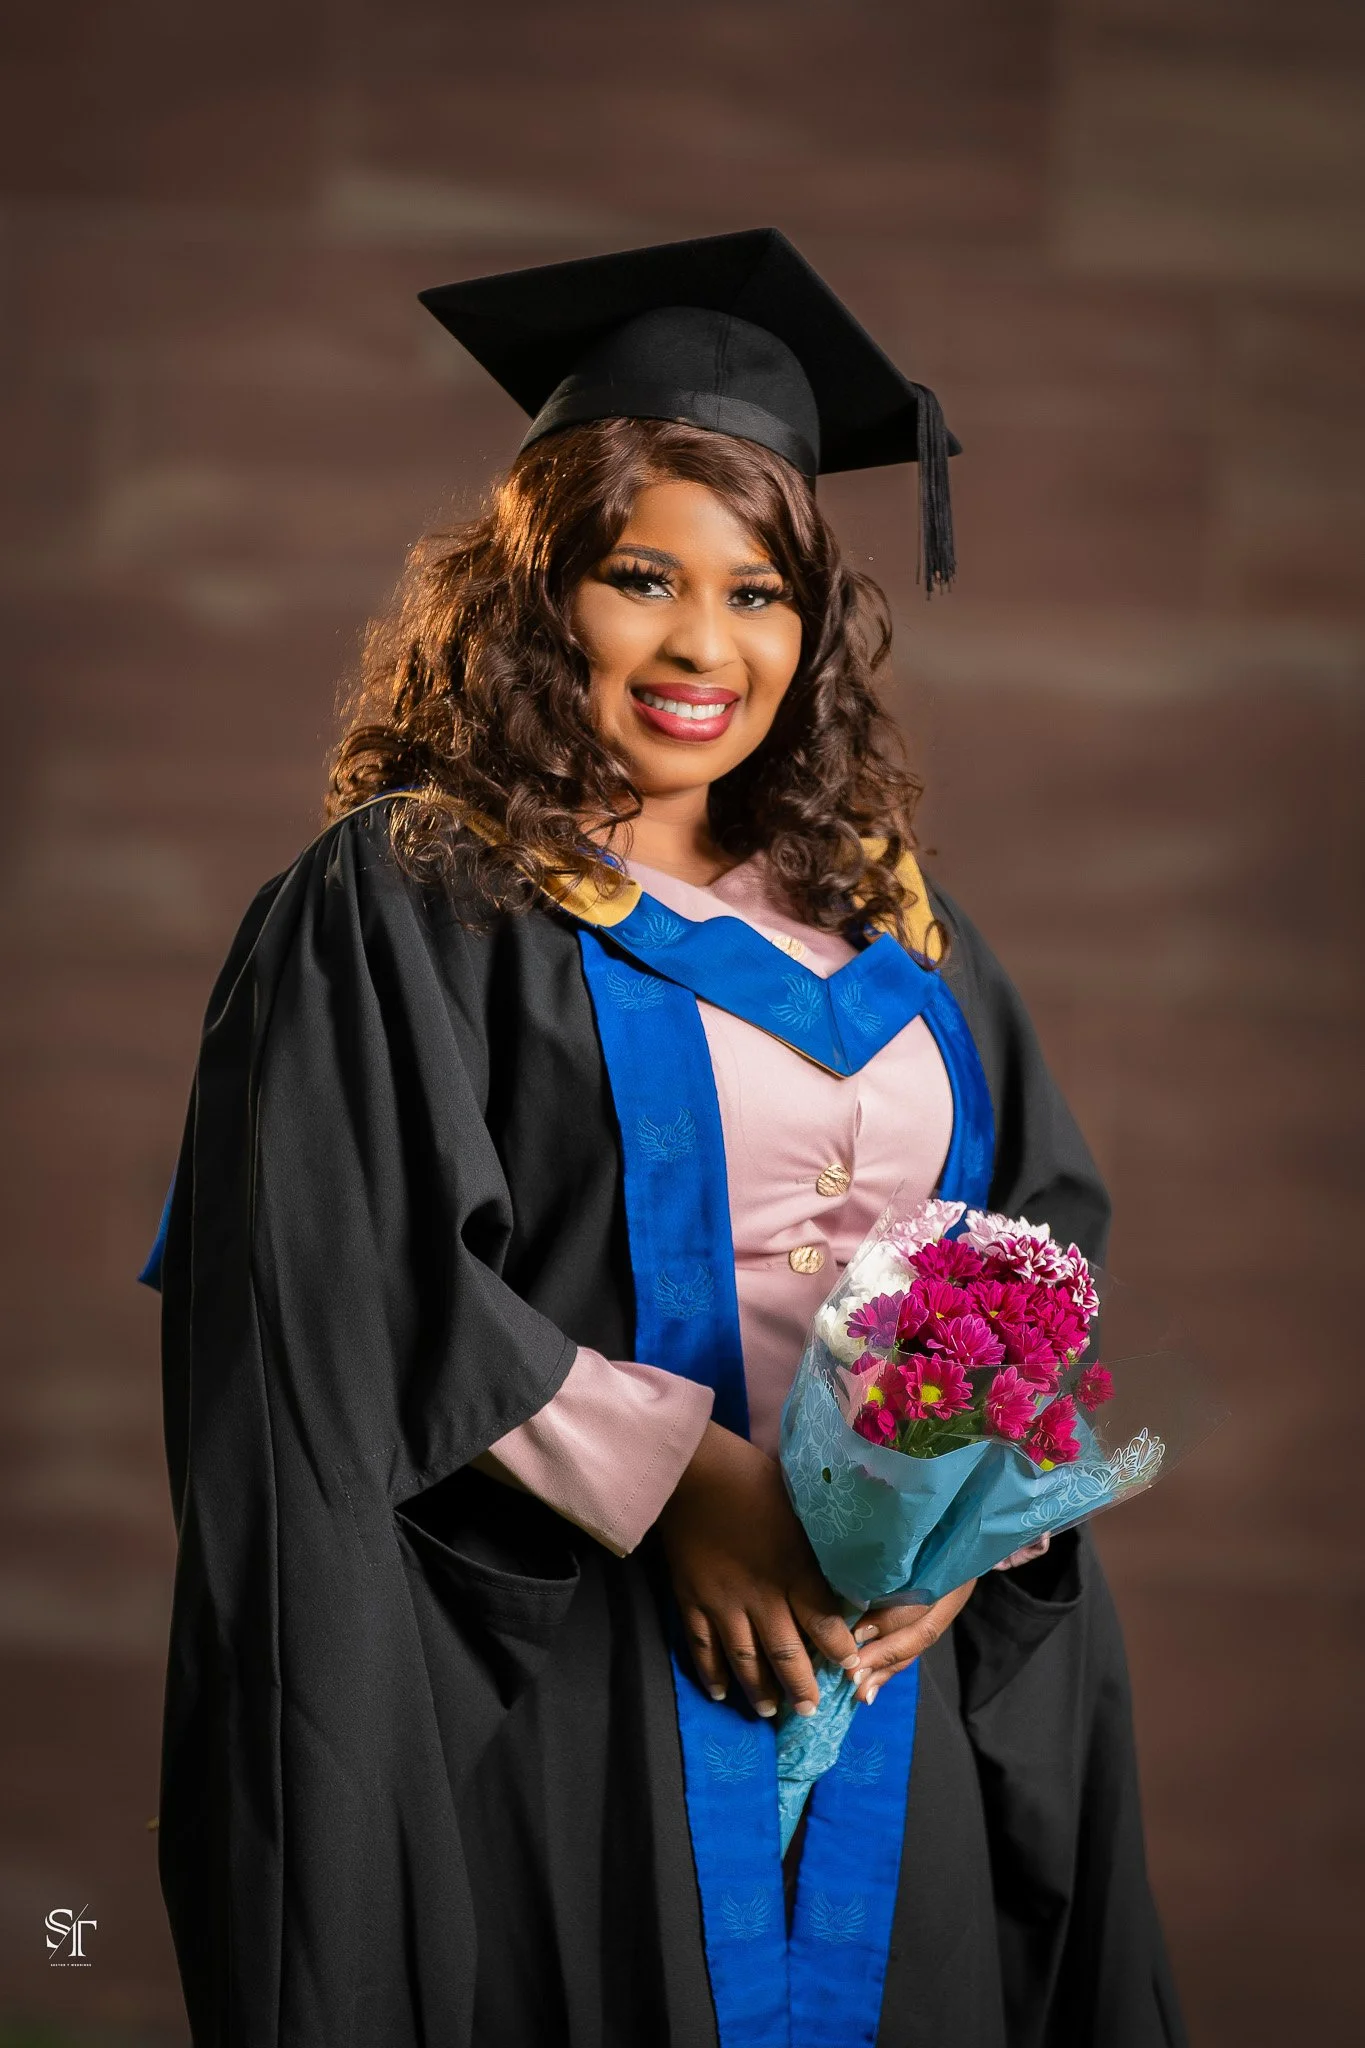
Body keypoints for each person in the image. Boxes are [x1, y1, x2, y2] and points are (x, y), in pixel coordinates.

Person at [147, 230, 1185, 2046]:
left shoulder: (893, 928)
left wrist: (962, 1533)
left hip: (884, 1719)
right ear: (533, 592)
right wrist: (693, 1490)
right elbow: (336, 1277)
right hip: (579, 1704)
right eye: (644, 576)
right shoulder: (408, 902)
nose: (709, 645)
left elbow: (1034, 1246)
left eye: (765, 590)